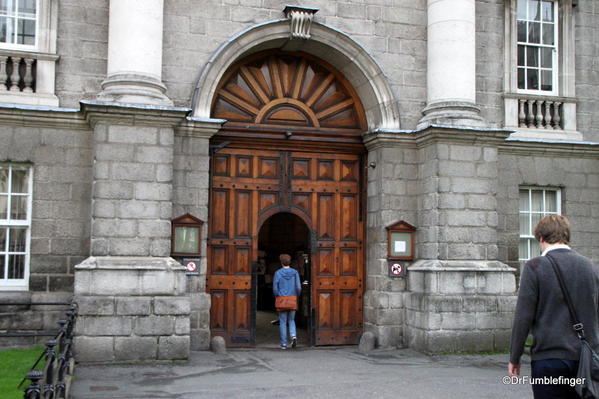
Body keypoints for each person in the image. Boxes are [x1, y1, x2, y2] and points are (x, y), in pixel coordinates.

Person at [509, 214, 599, 398]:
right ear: (566, 237)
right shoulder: (591, 267)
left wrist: (514, 357)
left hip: (548, 360)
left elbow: (523, 317)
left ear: (541, 239)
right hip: (585, 361)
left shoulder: (535, 267)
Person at [273, 253, 301, 349]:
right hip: (292, 299)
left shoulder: (278, 273)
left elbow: (275, 288)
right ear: (290, 262)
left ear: (281, 262)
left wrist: (277, 296)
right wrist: (296, 296)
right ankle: (293, 336)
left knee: (283, 321)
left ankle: (283, 344)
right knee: (292, 320)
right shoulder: (295, 272)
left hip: (281, 299)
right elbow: (298, 287)